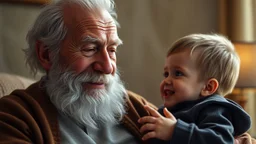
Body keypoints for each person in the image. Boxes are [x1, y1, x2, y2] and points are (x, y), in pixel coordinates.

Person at [0, 0, 156, 143]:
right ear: (46, 54)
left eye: (112, 50)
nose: (108, 67)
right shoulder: (15, 118)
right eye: (90, 49)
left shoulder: (138, 109)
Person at [138, 34, 252, 144]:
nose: (167, 80)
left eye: (178, 73)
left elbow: (222, 141)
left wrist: (174, 130)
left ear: (208, 87)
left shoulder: (213, 109)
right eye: (166, 74)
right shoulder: (167, 111)